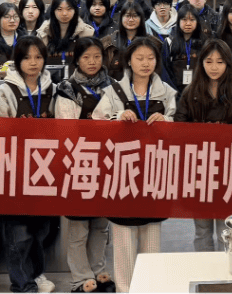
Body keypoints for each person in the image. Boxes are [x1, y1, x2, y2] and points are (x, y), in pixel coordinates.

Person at [93, 37, 177, 293]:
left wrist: (166, 121)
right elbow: (96, 124)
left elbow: (179, 127)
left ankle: (150, 288)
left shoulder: (167, 92)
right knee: (123, 240)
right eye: (139, 58)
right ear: (129, 61)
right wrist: (118, 116)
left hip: (154, 172)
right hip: (123, 173)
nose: (145, 63)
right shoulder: (113, 91)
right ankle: (124, 289)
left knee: (151, 240)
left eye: (150, 58)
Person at [0, 37, 57, 294]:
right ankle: (22, 284)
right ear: (17, 60)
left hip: (45, 171)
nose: (33, 63)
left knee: (41, 230)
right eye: (27, 57)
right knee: (18, 233)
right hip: (14, 172)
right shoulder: (5, 91)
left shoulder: (53, 89)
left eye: (38, 57)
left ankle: (36, 274)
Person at [175, 39, 232, 250]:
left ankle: (224, 268)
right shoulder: (190, 92)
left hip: (228, 169)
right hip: (199, 169)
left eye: (220, 62)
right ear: (201, 63)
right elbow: (179, 128)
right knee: (202, 229)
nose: (214, 67)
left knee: (225, 228)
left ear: (228, 64)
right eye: (209, 61)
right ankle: (205, 267)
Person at [53, 37, 115, 293]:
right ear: (77, 59)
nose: (92, 62)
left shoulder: (113, 86)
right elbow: (66, 129)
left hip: (107, 162)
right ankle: (80, 278)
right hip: (78, 162)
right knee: (78, 226)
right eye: (86, 57)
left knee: (101, 225)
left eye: (97, 56)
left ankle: (99, 270)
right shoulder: (67, 88)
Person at [37, 0, 95, 83]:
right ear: (53, 11)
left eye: (69, 9)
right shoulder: (43, 33)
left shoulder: (87, 33)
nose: (64, 13)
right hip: (48, 84)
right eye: (59, 9)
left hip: (80, 84)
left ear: (75, 10)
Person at [166, 3, 207, 95]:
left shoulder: (204, 43)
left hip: (199, 92)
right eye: (184, 19)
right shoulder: (169, 42)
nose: (188, 23)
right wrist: (174, 93)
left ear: (197, 22)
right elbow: (166, 71)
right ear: (178, 21)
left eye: (192, 20)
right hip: (175, 93)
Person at [103, 3, 146, 82]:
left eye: (135, 16)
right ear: (121, 18)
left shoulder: (152, 42)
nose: (131, 20)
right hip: (115, 86)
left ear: (141, 18)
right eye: (127, 16)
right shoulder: (108, 42)